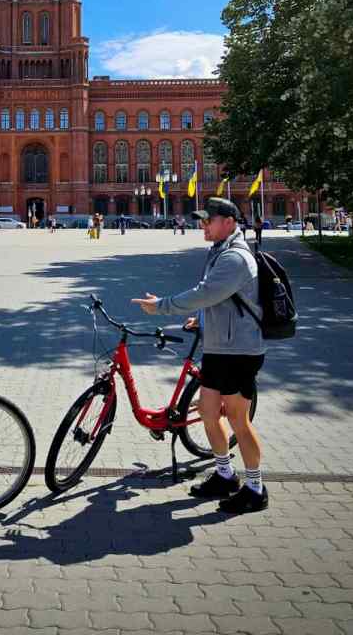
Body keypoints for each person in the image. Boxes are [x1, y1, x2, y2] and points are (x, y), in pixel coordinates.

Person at [132, 197, 267, 514]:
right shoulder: (219, 252)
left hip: (240, 351)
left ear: (229, 223)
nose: (202, 225)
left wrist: (162, 305)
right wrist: (204, 321)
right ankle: (225, 474)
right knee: (208, 411)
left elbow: (206, 293)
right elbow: (219, 299)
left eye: (209, 220)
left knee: (237, 419)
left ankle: (256, 488)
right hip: (219, 347)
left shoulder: (235, 257)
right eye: (202, 220)